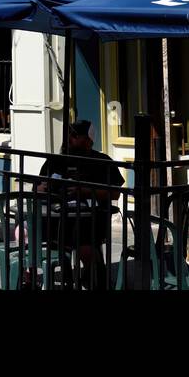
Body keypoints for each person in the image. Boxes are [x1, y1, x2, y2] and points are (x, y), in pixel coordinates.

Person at [36, 120, 124, 288]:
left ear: (88, 141)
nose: (69, 138)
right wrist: (42, 187)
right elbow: (38, 186)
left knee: (84, 245)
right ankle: (27, 279)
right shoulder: (56, 160)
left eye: (75, 135)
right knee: (24, 231)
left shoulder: (102, 161)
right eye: (69, 134)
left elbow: (115, 192)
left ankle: (94, 278)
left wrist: (85, 190)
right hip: (55, 217)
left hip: (90, 218)